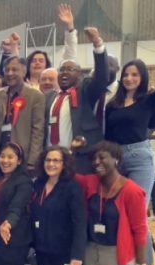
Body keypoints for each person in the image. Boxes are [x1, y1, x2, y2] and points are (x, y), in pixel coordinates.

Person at [75, 141, 148, 265]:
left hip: (118, 255)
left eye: (102, 157)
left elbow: (140, 230)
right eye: (94, 159)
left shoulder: (132, 191)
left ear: (116, 159)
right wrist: (75, 150)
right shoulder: (91, 182)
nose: (97, 162)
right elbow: (68, 170)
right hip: (92, 252)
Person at [105, 59, 155, 265]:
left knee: (137, 214)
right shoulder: (113, 105)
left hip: (140, 159)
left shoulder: (149, 99)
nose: (129, 78)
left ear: (143, 77)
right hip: (116, 160)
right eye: (126, 74)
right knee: (117, 213)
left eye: (135, 74)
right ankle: (125, 262)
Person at [30, 146, 86, 265]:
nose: (51, 164)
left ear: (64, 164)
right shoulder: (38, 185)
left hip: (65, 256)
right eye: (48, 160)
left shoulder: (71, 187)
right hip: (43, 253)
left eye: (56, 160)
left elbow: (80, 223)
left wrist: (77, 255)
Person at [44, 27, 109, 174]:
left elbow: (102, 78)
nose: (65, 72)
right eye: (62, 69)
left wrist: (97, 45)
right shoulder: (49, 97)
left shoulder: (85, 91)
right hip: (52, 161)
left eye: (70, 69)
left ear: (79, 75)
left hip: (79, 159)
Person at [0, 56, 45, 171]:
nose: (10, 73)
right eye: (7, 70)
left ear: (24, 72)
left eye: (14, 70)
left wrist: (32, 161)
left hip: (22, 155)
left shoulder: (36, 96)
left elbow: (38, 131)